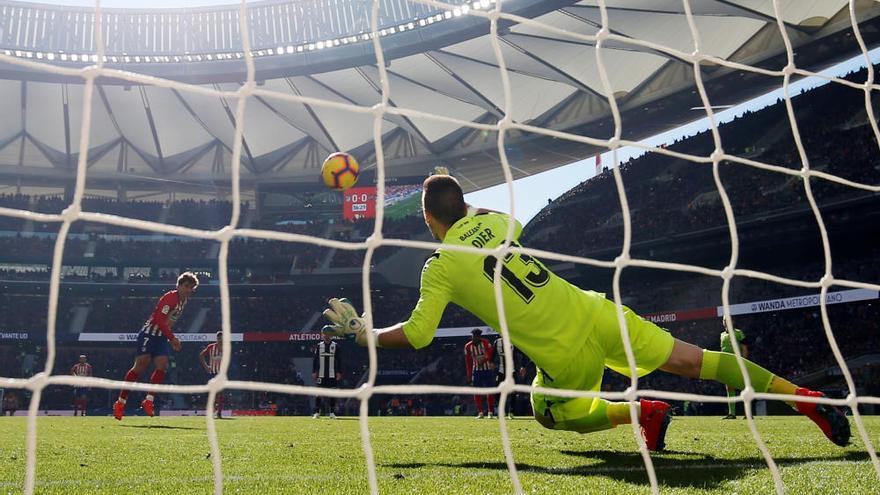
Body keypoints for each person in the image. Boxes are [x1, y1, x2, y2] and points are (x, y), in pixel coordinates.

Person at [322, 174, 850, 451]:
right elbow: (494, 219)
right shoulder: (504, 224)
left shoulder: (440, 265)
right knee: (699, 360)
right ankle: (805, 398)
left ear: (428, 222)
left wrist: (365, 335)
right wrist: (464, 210)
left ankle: (639, 411)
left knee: (547, 413)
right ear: (463, 208)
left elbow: (417, 336)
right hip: (596, 312)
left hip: (564, 354)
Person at [113, 272, 198, 420]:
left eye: (191, 287)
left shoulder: (184, 301)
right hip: (148, 335)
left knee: (162, 366)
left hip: (161, 337)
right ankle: (120, 403)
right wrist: (172, 338)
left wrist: (169, 336)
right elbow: (159, 320)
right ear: (178, 285)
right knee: (140, 367)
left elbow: (169, 321)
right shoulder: (169, 298)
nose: (188, 289)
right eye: (186, 286)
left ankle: (149, 400)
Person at [464, 328, 495, 419]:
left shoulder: (485, 343)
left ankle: (490, 412)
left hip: (487, 370)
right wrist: (469, 375)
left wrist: (484, 359)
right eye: (473, 336)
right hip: (476, 371)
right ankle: (480, 412)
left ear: (479, 337)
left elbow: (490, 353)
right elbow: (468, 361)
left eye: (477, 336)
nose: (475, 338)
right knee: (477, 392)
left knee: (490, 391)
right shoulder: (468, 346)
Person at [720, 326, 749, 419]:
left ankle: (748, 414)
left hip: (737, 362)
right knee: (729, 388)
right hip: (727, 364)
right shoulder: (722, 335)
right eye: (724, 320)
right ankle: (732, 413)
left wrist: (743, 361)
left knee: (743, 387)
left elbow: (744, 348)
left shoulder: (738, 333)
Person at [312, 333, 342, 419]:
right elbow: (315, 359)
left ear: (332, 336)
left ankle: (332, 413)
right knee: (318, 393)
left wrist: (339, 372)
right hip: (321, 374)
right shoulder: (319, 346)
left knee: (332, 393)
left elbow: (339, 360)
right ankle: (317, 413)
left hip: (332, 374)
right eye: (325, 335)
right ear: (322, 336)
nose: (327, 336)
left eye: (328, 335)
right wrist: (314, 371)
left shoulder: (336, 346)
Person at [199, 331, 225, 419]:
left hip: (221, 374)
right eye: (219, 338)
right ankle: (213, 410)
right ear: (217, 339)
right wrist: (206, 366)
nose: (220, 340)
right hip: (212, 373)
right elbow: (201, 355)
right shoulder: (211, 347)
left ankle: (219, 412)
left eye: (222, 338)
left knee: (220, 393)